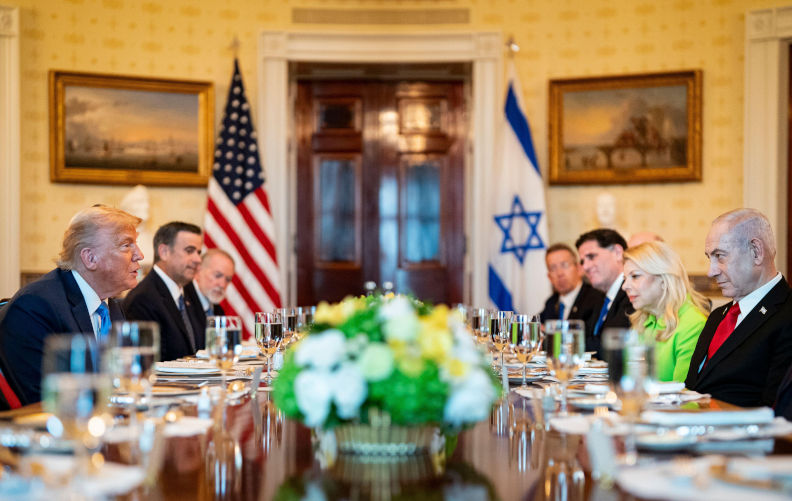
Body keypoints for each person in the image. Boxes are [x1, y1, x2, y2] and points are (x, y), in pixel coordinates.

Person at [0, 205, 143, 405]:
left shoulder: (111, 304)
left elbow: (124, 381)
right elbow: (45, 401)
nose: (140, 255)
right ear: (90, 258)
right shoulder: (35, 308)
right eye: (127, 245)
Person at [685, 209, 792, 408]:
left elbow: (773, 409)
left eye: (720, 256)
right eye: (710, 258)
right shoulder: (718, 316)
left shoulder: (787, 315)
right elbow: (694, 387)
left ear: (756, 252)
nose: (711, 271)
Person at [622, 242, 709, 382]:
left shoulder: (693, 324)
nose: (624, 286)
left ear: (663, 279)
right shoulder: (643, 320)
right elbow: (629, 379)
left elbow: (682, 394)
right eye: (625, 279)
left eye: (635, 276)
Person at [123, 222, 205, 361]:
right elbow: (149, 363)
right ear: (164, 252)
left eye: (198, 252)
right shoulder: (142, 299)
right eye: (189, 250)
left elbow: (202, 348)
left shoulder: (189, 289)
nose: (198, 259)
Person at [575, 228, 633, 358]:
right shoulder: (598, 297)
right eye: (583, 261)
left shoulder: (633, 294)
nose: (585, 267)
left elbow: (612, 345)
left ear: (618, 252)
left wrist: (556, 340)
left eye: (591, 256)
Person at [539, 243, 605, 339]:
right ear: (549, 277)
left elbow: (588, 339)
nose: (559, 273)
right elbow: (538, 327)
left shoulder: (596, 299)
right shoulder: (551, 302)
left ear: (579, 269)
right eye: (553, 268)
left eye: (564, 265)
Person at [188, 248, 235, 319]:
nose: (222, 284)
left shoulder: (218, 311)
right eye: (217, 275)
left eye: (227, 280)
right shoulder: (182, 302)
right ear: (198, 270)